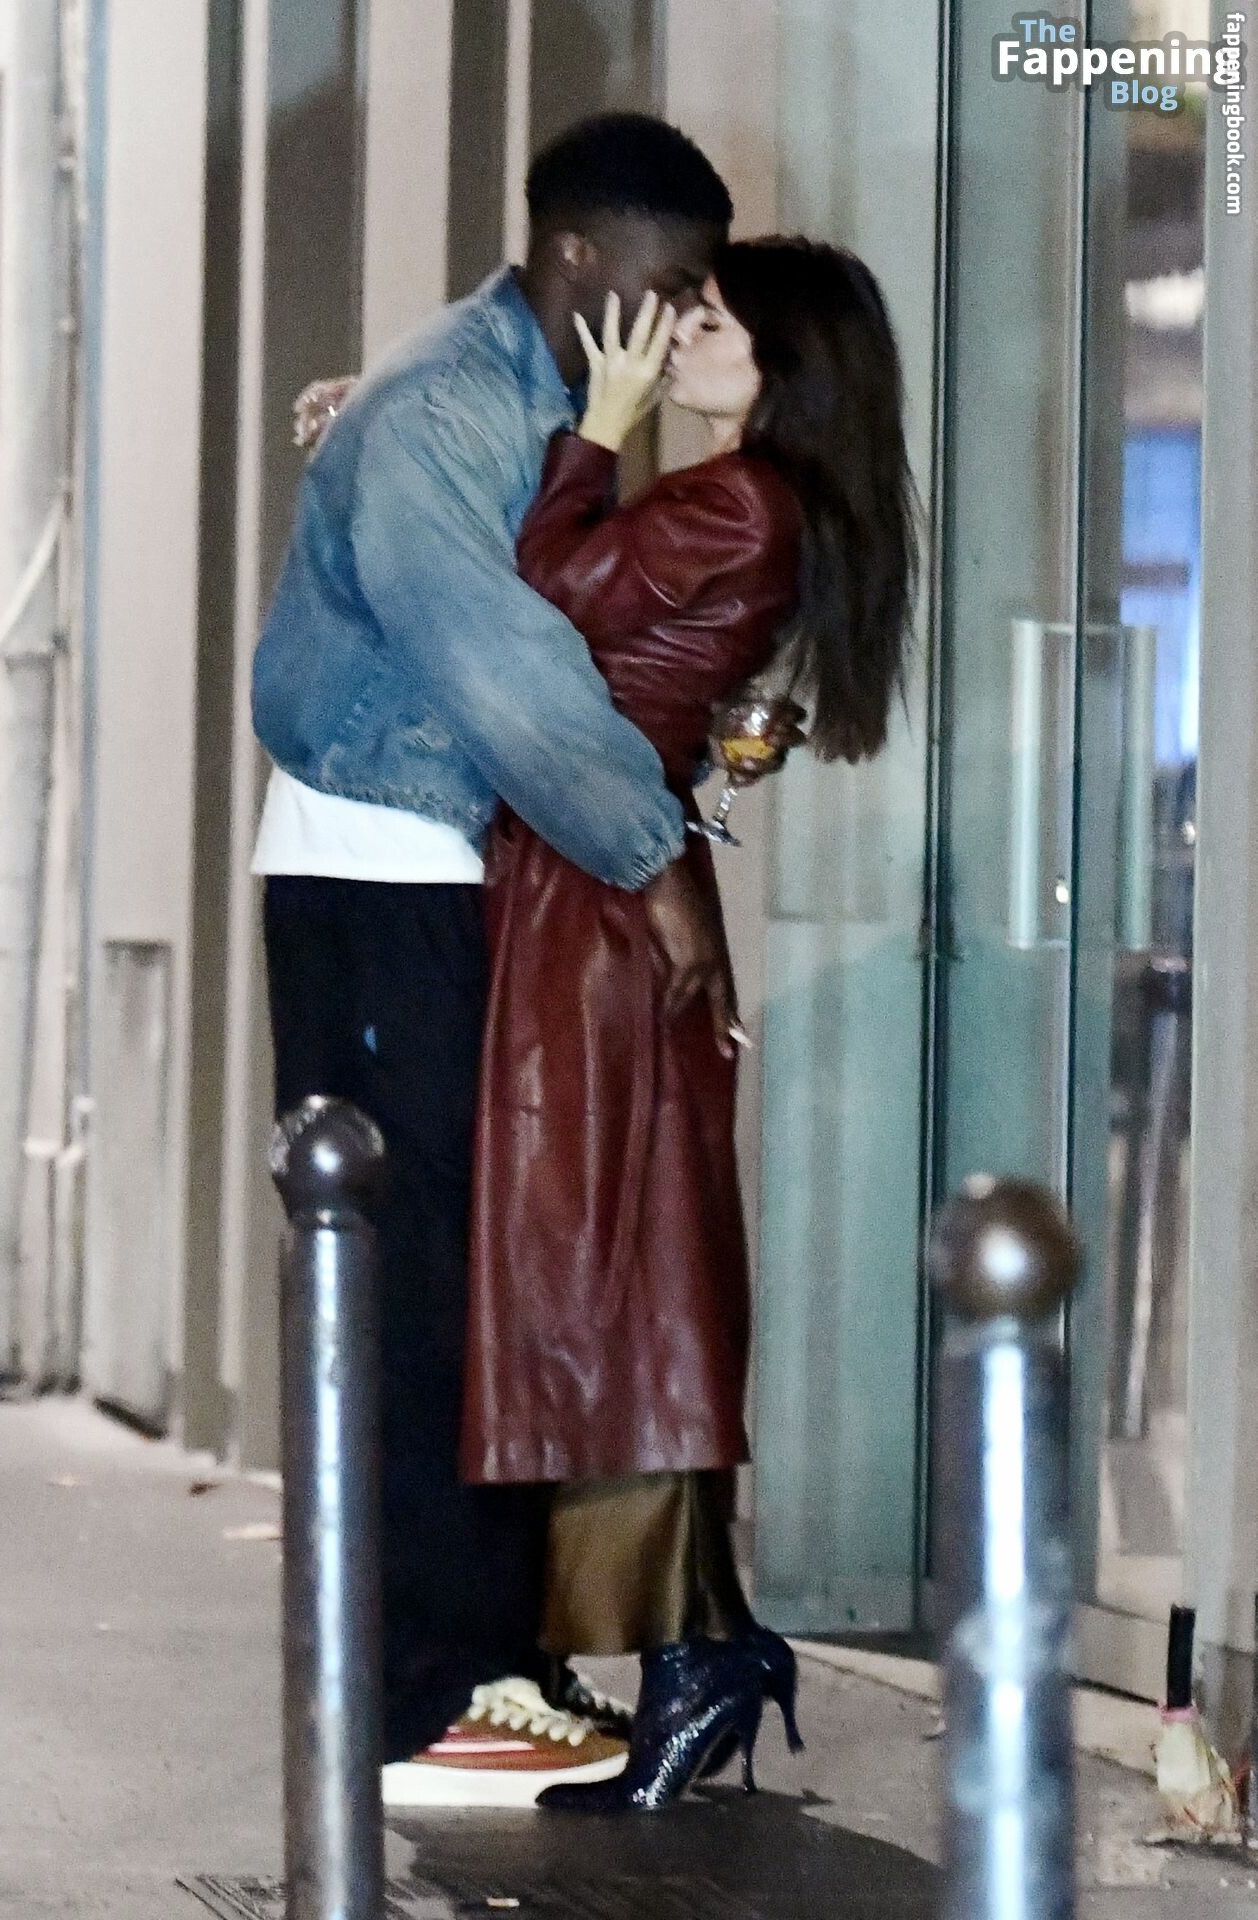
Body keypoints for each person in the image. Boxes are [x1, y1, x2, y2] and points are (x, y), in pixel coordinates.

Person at [251, 114, 743, 1807]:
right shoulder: (450, 408)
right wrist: (652, 856)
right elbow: (508, 667)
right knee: (417, 1290)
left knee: (470, 1277)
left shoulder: (517, 394)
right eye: (672, 281)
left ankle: (480, 1662)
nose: (685, 316)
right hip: (381, 870)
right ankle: (428, 1689)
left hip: (428, 869)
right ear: (580, 257)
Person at [462, 238, 919, 1812]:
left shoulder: (736, 501)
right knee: (624, 1276)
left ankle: (690, 1652)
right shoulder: (748, 500)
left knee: (608, 1277)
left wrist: (594, 431)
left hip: (591, 906)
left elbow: (538, 608)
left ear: (783, 357)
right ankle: (692, 1650)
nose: (676, 335)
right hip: (602, 889)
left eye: (710, 319)